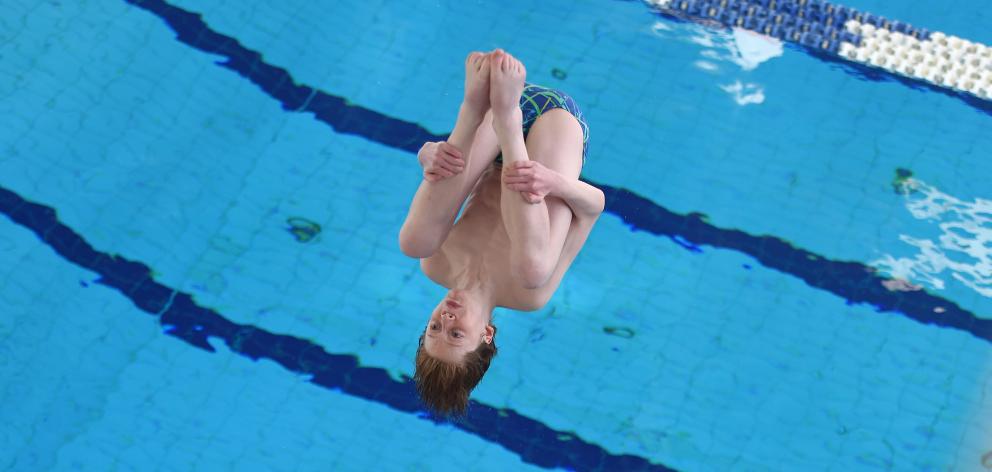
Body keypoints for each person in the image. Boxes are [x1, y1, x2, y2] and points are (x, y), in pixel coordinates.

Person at [398, 49, 604, 416]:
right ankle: (507, 120)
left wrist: (427, 156)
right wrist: (556, 182)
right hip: (553, 130)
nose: (445, 319)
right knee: (532, 270)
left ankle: (472, 108)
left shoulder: (435, 265)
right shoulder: (529, 297)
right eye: (456, 334)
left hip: (491, 124)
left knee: (414, 243)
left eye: (433, 328)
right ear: (486, 336)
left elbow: (445, 189)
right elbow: (593, 208)